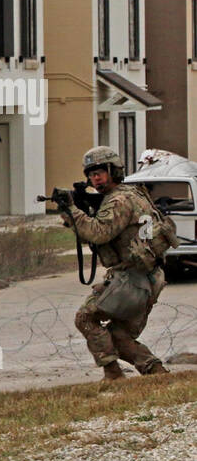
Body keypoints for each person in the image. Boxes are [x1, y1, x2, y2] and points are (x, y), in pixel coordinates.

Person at [61, 147, 171, 382]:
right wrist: (78, 214)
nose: (95, 179)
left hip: (131, 279)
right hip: (148, 276)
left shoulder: (118, 200)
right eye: (91, 175)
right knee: (119, 335)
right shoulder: (133, 193)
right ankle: (155, 371)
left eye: (100, 172)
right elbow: (98, 234)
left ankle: (112, 373)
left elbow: (99, 233)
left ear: (114, 171)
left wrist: (71, 210)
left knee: (85, 318)